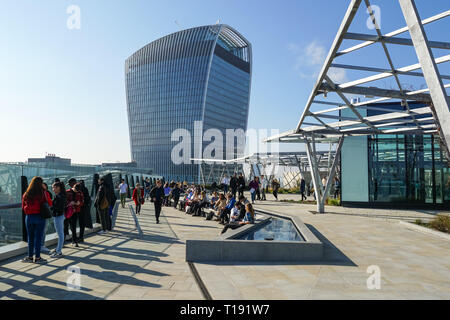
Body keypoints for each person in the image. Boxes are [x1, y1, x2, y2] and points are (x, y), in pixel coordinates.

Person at [21, 176, 52, 264]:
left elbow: (23, 207)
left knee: (30, 238)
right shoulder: (44, 193)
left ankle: (30, 257)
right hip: (40, 217)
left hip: (29, 217)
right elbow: (50, 203)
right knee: (38, 238)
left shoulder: (26, 193)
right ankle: (38, 258)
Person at [50, 181, 67, 258]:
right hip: (60, 215)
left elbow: (58, 207)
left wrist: (51, 207)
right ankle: (58, 249)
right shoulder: (61, 195)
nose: (53, 189)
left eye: (54, 187)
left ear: (59, 188)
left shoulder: (60, 196)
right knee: (60, 234)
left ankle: (59, 251)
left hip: (58, 216)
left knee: (60, 234)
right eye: (53, 187)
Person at [65, 183, 84, 247]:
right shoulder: (67, 192)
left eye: (77, 191)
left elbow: (82, 201)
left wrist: (79, 203)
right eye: (75, 190)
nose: (76, 191)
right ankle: (64, 240)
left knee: (73, 226)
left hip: (76, 211)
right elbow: (64, 201)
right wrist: (69, 203)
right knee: (66, 226)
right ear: (73, 187)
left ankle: (74, 241)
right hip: (68, 211)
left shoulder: (80, 192)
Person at [40, 182, 53, 254]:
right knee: (44, 230)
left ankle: (37, 246)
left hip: (36, 214)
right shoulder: (46, 193)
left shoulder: (33, 193)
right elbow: (50, 203)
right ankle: (41, 246)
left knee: (38, 231)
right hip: (45, 214)